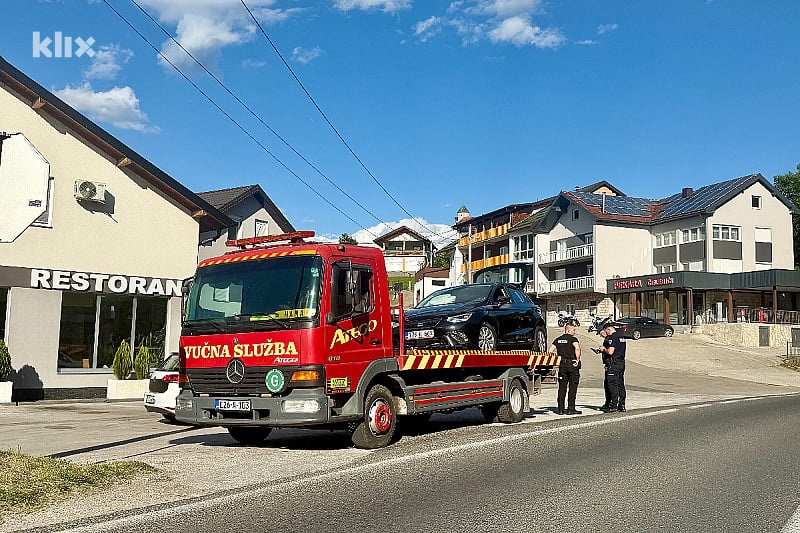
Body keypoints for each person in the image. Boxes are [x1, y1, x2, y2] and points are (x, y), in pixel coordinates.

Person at [549, 321, 581, 415]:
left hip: (562, 366)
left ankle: (561, 409)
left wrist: (555, 361)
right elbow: (577, 348)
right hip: (572, 365)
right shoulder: (573, 339)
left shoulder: (558, 339)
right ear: (568, 330)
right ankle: (571, 408)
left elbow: (550, 350)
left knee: (562, 388)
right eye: (573, 330)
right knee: (572, 388)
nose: (575, 332)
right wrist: (577, 359)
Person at [598, 323, 627, 412]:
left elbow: (610, 351)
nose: (606, 334)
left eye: (606, 331)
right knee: (620, 384)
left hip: (613, 363)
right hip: (621, 362)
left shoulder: (613, 337)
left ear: (608, 329)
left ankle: (613, 405)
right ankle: (621, 404)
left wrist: (603, 350)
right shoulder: (621, 336)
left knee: (612, 384)